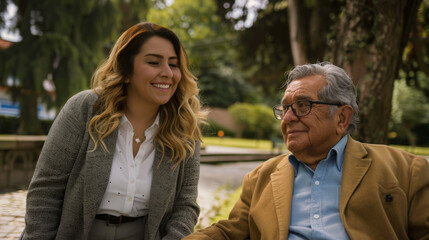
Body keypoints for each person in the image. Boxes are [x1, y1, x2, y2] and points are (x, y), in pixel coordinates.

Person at [184, 62, 429, 239]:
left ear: (342, 118)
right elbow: (229, 233)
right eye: (285, 108)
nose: (288, 117)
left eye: (303, 105)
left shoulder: (406, 171)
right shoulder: (261, 178)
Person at [21, 22, 205, 240]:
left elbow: (186, 205)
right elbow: (45, 191)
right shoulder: (85, 109)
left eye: (173, 65)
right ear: (126, 71)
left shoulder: (184, 126)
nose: (167, 73)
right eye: (154, 62)